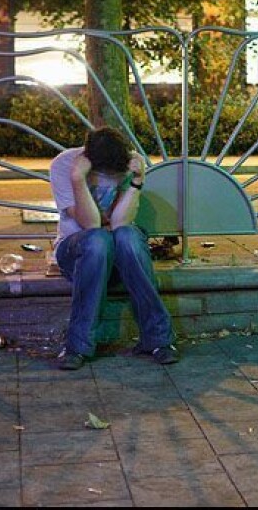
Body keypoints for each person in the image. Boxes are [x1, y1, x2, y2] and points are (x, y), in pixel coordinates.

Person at [49, 126, 178, 370]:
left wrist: (136, 183)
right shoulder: (65, 165)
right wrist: (78, 179)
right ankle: (77, 346)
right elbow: (90, 224)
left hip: (119, 254)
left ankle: (159, 340)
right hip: (77, 253)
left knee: (128, 236)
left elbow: (120, 223)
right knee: (97, 240)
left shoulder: (131, 164)